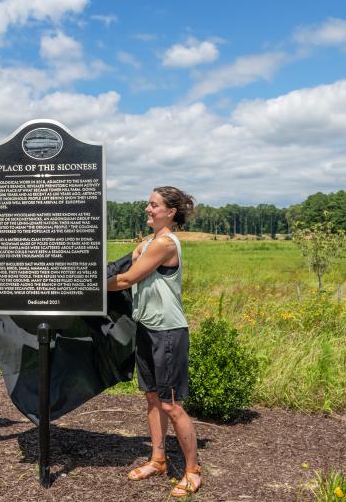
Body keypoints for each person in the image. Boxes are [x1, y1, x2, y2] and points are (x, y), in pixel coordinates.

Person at [107, 186, 201, 498]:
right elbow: (121, 266)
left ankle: (192, 471)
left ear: (171, 212)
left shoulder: (164, 243)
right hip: (146, 329)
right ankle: (158, 460)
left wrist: (83, 290)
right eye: (148, 204)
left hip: (169, 332)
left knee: (170, 404)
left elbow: (126, 279)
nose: (148, 209)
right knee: (151, 398)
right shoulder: (147, 242)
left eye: (154, 205)